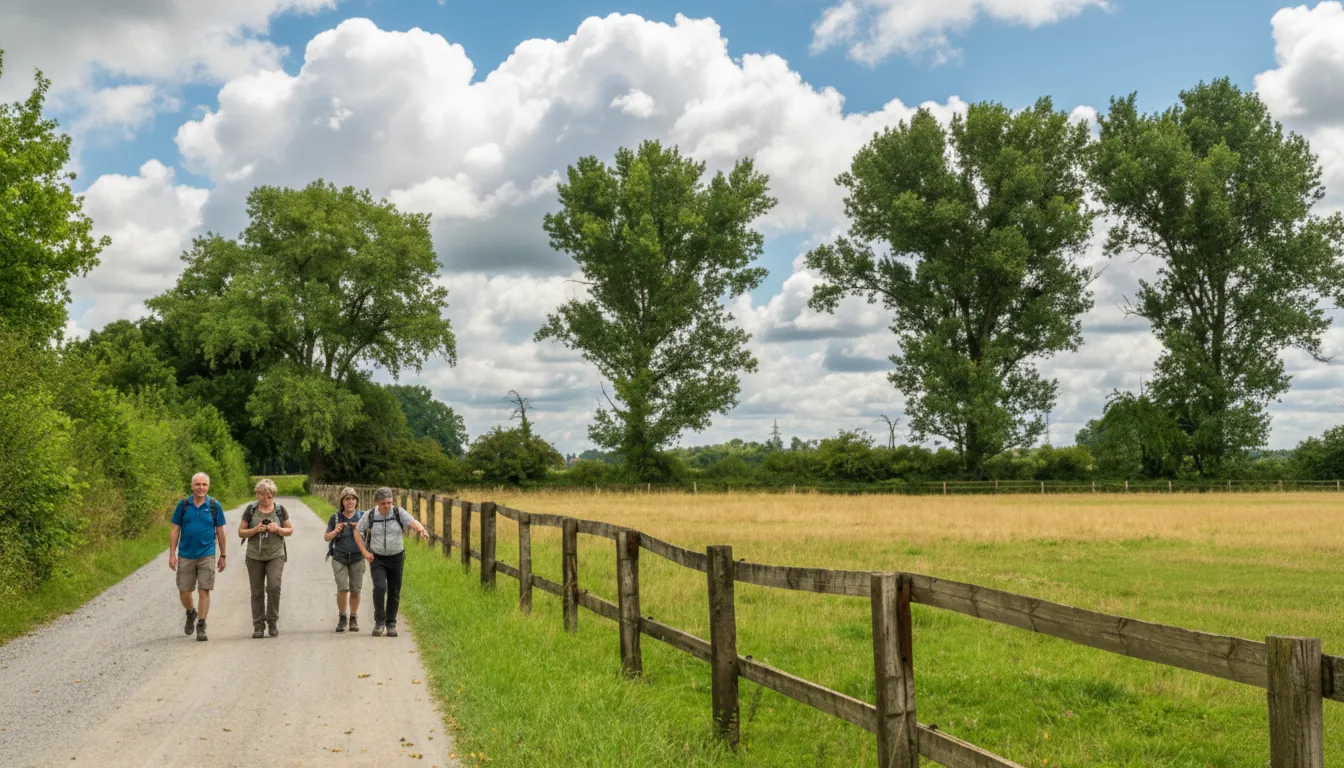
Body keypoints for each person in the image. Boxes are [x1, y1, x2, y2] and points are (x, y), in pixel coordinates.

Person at [355, 487, 428, 638]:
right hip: (377, 558)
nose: (387, 506)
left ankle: (391, 624)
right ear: (377, 503)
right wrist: (364, 552)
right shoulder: (371, 515)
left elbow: (412, 522)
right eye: (383, 503)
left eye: (389, 502)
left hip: (396, 557)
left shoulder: (398, 512)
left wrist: (420, 529)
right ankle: (379, 623)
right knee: (380, 588)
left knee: (394, 591)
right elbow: (357, 530)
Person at [169, 472, 227, 642]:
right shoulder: (183, 505)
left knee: (204, 589)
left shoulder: (214, 505)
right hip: (186, 554)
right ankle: (190, 611)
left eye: (204, 485)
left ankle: (201, 624)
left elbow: (221, 532)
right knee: (184, 591)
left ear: (208, 486)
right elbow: (175, 530)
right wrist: (172, 554)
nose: (201, 488)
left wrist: (223, 555)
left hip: (207, 554)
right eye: (198, 484)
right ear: (192, 485)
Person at [239, 477, 293, 638]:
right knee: (256, 591)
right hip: (254, 555)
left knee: (274, 587)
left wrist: (278, 529)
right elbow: (241, 532)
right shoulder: (250, 510)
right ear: (257, 494)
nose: (266, 499)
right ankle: (258, 625)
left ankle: (273, 621)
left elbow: (290, 530)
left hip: (276, 554)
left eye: (269, 496)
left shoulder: (280, 510)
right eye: (262, 495)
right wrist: (255, 530)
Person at [324, 487, 366, 633]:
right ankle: (343, 617)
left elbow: (371, 532)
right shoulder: (335, 517)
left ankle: (353, 617)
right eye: (347, 499)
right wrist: (335, 530)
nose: (350, 501)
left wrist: (360, 528)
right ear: (342, 501)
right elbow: (326, 537)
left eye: (353, 498)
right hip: (339, 557)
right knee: (342, 588)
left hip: (357, 557)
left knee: (356, 589)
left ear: (357, 501)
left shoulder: (363, 516)